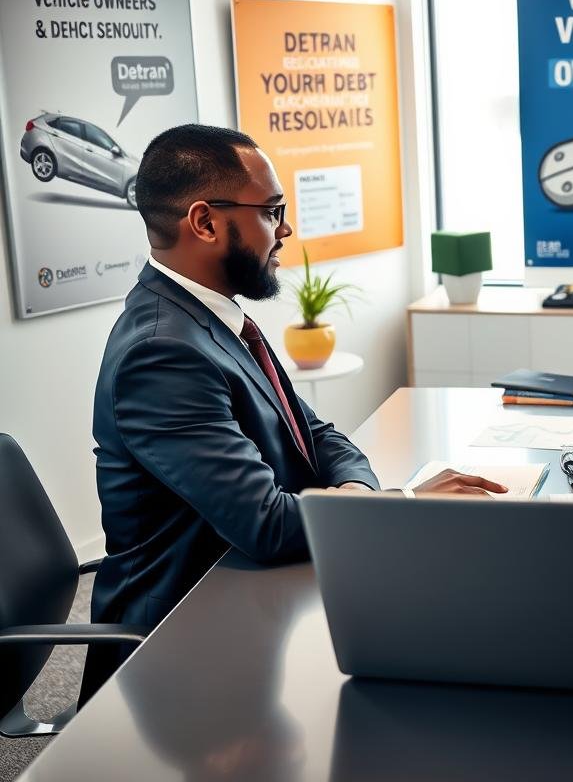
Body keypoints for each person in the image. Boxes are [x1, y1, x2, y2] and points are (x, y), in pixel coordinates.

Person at [84, 124, 502, 699]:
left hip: (248, 596)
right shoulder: (162, 353)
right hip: (178, 646)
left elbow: (319, 435)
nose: (284, 230)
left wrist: (354, 496)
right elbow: (267, 525)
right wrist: (403, 503)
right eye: (271, 211)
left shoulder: (208, 320)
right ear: (204, 223)